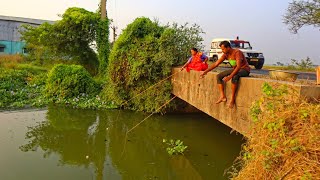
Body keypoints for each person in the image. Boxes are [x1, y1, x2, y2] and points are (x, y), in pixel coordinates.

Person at [200, 41, 250, 108]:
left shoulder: (237, 52)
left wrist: (230, 76)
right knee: (219, 76)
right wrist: (205, 71)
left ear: (228, 47)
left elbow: (238, 66)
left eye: (223, 49)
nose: (222, 51)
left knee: (235, 76)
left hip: (244, 69)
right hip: (235, 69)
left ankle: (232, 99)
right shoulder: (226, 54)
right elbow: (216, 64)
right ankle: (222, 96)